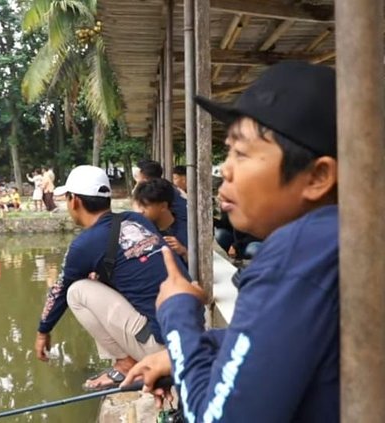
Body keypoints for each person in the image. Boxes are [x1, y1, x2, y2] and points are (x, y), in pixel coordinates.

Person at [122, 62, 339, 422]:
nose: (224, 169)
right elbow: (283, 341)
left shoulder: (295, 256)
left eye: (241, 153)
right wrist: (196, 349)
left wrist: (178, 315)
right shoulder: (341, 241)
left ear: (317, 176)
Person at [34, 165, 190, 391]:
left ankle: (126, 363)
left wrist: (42, 331)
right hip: (192, 332)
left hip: (164, 350)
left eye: (66, 198)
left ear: (74, 201)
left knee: (76, 291)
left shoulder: (85, 244)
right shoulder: (137, 220)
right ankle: (132, 356)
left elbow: (58, 291)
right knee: (99, 277)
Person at [133, 178, 188, 264]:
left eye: (145, 206)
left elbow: (200, 267)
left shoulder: (186, 231)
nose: (141, 211)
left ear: (163, 206)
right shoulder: (142, 229)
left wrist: (184, 252)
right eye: (139, 205)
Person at [134, 160, 187, 225]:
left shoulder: (161, 191)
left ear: (145, 179)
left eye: (137, 177)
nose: (136, 183)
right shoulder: (165, 185)